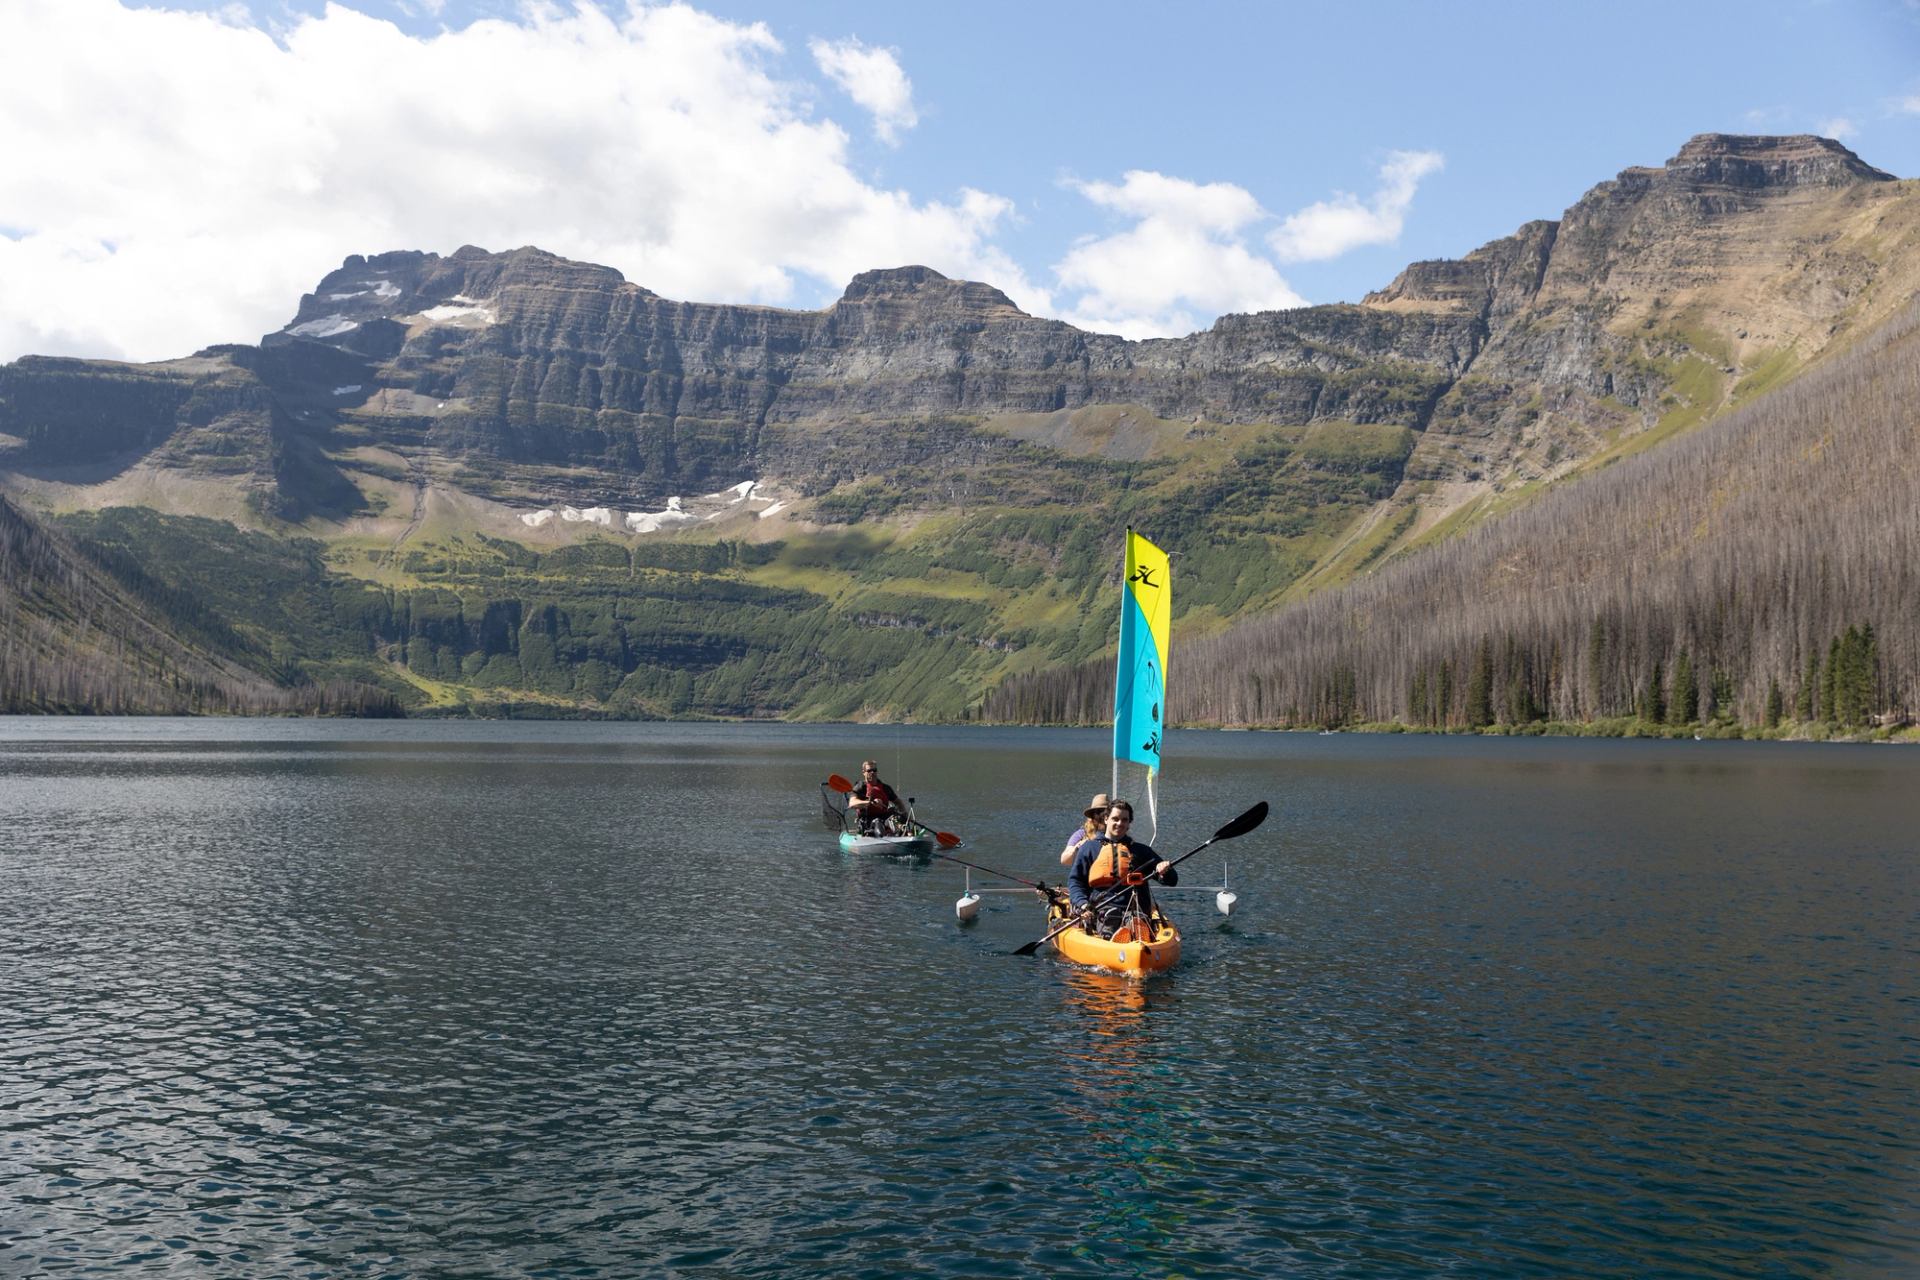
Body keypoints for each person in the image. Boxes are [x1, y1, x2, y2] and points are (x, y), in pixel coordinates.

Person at [1066, 799, 1176, 937]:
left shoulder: (1141, 851)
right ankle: (1119, 936)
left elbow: (1172, 880)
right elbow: (1075, 882)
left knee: (1134, 919)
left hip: (1136, 910)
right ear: (1106, 819)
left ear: (1129, 824)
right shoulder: (1089, 848)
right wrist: (1082, 904)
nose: (1120, 823)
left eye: (1125, 820)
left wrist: (1165, 870)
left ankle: (1135, 932)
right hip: (1103, 910)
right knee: (1110, 917)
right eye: (1115, 819)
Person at [848, 760, 906, 835]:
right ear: (864, 772)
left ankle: (904, 832)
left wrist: (904, 814)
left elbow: (898, 802)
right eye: (869, 770)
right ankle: (883, 836)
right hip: (868, 820)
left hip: (885, 818)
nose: (872, 772)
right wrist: (870, 802)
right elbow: (852, 803)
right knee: (877, 822)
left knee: (898, 817)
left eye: (874, 770)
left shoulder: (885, 788)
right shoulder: (860, 787)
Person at [1059, 793, 1110, 865]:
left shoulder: (1117, 834)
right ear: (1092, 816)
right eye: (1099, 812)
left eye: (1106, 812)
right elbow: (1064, 860)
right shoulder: (1081, 834)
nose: (1103, 816)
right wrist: (1077, 848)